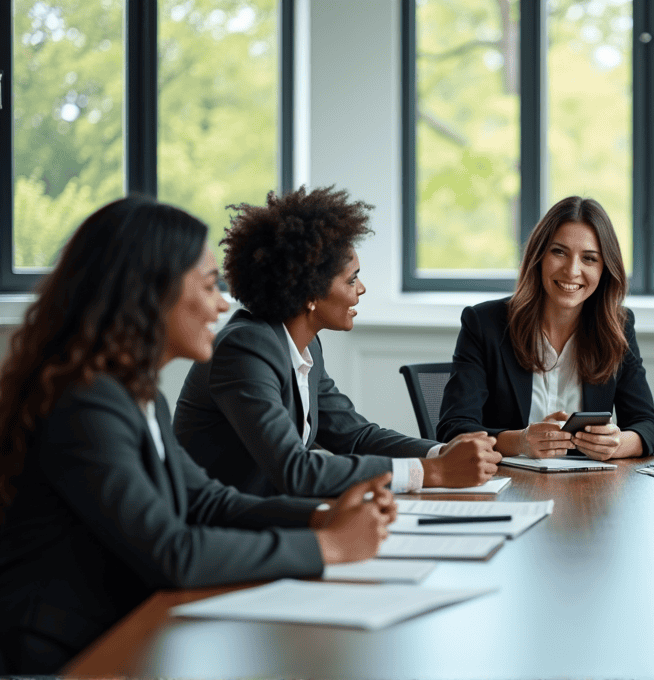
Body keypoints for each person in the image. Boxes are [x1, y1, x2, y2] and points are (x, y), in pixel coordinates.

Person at [0, 197, 395, 673]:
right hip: (62, 655)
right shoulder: (85, 404)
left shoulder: (135, 394)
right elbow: (174, 552)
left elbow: (208, 503)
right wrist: (330, 546)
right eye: (209, 286)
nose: (223, 303)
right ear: (152, 293)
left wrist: (322, 516)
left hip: (120, 627)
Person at [174, 186, 500, 497]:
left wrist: (444, 452)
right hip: (223, 531)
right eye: (352, 279)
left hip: (274, 518)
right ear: (311, 292)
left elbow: (355, 436)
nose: (361, 289)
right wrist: (433, 472)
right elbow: (295, 470)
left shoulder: (303, 346)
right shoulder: (245, 348)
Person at [438, 196, 654, 460]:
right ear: (539, 256)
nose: (572, 270)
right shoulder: (484, 323)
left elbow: (647, 426)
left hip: (588, 491)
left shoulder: (618, 326)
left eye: (589, 258)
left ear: (604, 270)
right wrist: (520, 442)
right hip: (506, 486)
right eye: (559, 252)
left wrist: (616, 443)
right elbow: (453, 430)